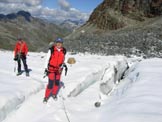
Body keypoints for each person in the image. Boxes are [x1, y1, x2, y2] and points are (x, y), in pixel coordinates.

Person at [43, 37, 66, 103]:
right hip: (51, 69)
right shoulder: (51, 50)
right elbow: (47, 59)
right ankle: (46, 96)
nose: (59, 44)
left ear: (62, 44)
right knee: (50, 83)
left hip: (59, 70)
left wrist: (62, 65)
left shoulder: (63, 51)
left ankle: (54, 94)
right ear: (56, 43)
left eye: (60, 43)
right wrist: (45, 69)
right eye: (58, 43)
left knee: (56, 83)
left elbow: (63, 59)